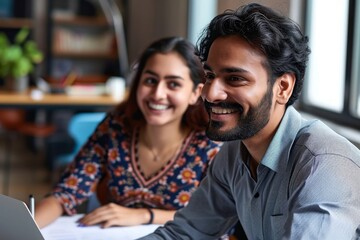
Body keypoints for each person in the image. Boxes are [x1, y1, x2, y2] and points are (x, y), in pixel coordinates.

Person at [138, 3, 360, 240]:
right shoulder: (235, 152)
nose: (211, 93)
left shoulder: (324, 165)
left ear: (283, 87)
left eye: (235, 79)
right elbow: (184, 233)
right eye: (210, 75)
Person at [35, 37, 222, 229]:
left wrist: (144, 215)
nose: (158, 94)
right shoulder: (115, 128)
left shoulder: (211, 145)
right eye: (150, 80)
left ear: (195, 93)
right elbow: (66, 193)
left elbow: (217, 216)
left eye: (173, 84)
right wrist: (27, 227)